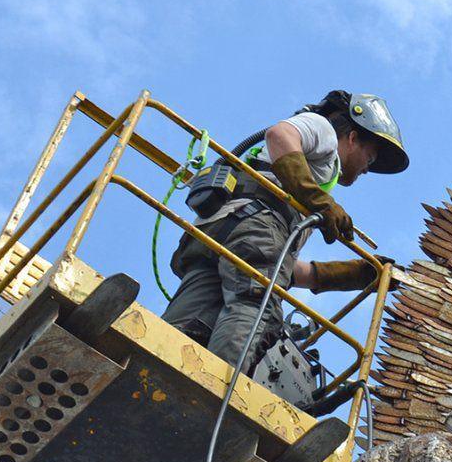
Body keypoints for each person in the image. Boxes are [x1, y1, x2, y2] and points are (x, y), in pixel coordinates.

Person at [161, 89, 408, 366]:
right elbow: (279, 134)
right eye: (370, 159)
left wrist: (354, 275)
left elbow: (273, 262)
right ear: (352, 138)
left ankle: (154, 363)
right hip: (253, 224)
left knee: (190, 320)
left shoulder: (295, 187)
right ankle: (218, 392)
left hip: (217, 233)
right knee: (257, 302)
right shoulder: (323, 130)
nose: (365, 169)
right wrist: (318, 200)